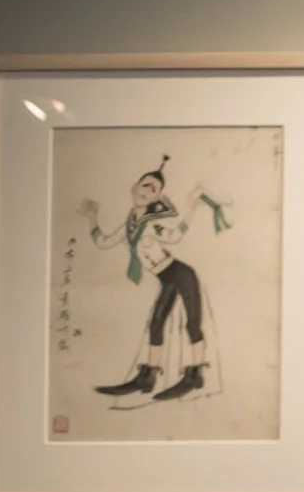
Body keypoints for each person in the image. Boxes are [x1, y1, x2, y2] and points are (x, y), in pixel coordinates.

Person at [79, 156, 231, 407]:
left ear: (157, 197)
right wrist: (92, 218)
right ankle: (147, 377)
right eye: (144, 185)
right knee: (156, 323)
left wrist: (193, 209)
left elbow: (173, 237)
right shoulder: (128, 226)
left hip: (182, 274)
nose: (147, 190)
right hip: (166, 278)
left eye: (154, 189)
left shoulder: (151, 224)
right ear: (134, 188)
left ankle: (195, 375)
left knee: (192, 324)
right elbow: (103, 242)